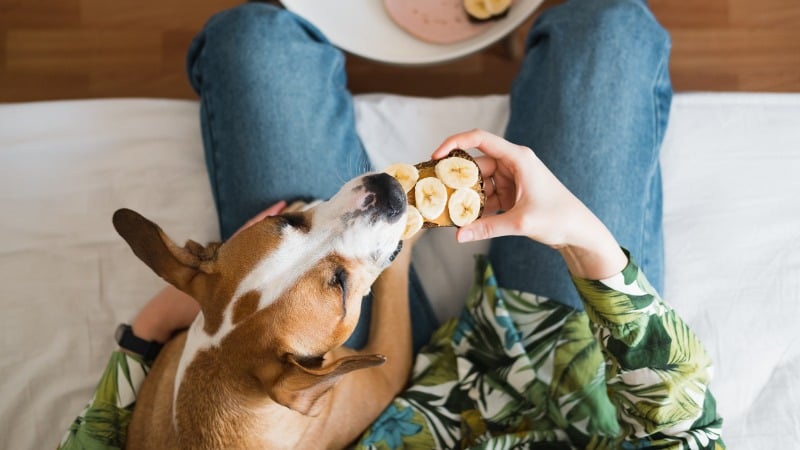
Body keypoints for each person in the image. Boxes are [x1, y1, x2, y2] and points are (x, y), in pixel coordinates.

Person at [59, 0, 725, 448]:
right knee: (606, 27)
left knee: (252, 38)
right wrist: (587, 240)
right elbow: (686, 428)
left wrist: (152, 328)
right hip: (559, 347)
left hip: (357, 370)